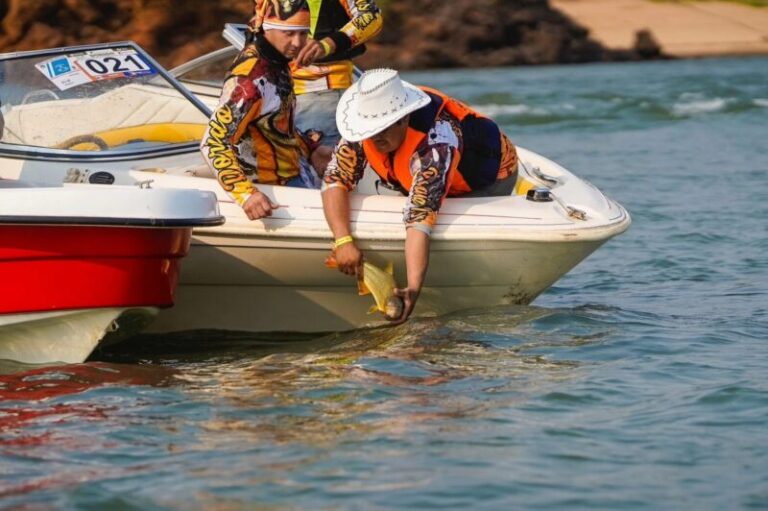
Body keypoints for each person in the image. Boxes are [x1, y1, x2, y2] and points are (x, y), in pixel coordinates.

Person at [321, 68, 519, 324]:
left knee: (432, 215)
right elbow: (334, 179)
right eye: (369, 130)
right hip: (411, 172)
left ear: (404, 118)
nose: (374, 137)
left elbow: (419, 219)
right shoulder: (362, 130)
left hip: (486, 179)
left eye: (382, 129)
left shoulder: (436, 145)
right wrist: (343, 240)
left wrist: (413, 289)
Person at [201, 0, 327, 221]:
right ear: (267, 28)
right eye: (288, 33)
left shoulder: (277, 61)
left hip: (296, 174)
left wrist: (311, 148)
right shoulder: (250, 80)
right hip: (273, 193)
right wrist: (245, 194)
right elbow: (213, 142)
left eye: (303, 33)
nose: (298, 43)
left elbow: (275, 123)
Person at [288, 0, 383, 148]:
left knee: (323, 165)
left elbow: (371, 15)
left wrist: (329, 44)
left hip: (320, 92)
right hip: (274, 91)